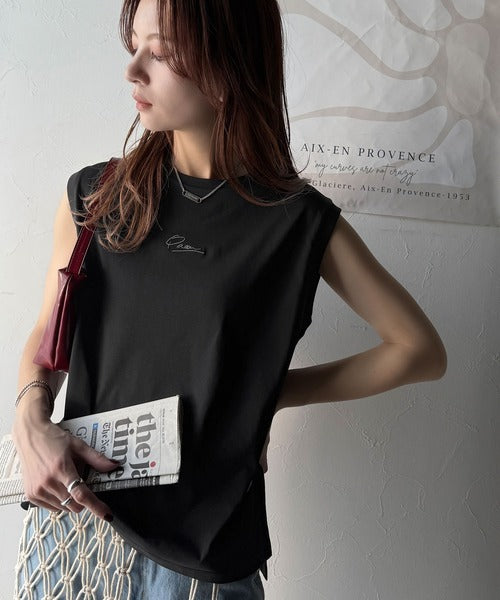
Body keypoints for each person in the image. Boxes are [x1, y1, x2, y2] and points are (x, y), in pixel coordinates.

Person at [10, 0, 447, 598]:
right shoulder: (96, 195)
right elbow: (48, 334)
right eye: (133, 46)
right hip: (76, 539)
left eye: (161, 53)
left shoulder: (296, 223)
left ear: (228, 63)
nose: (133, 70)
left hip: (200, 564)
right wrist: (29, 419)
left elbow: (419, 351)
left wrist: (267, 395)